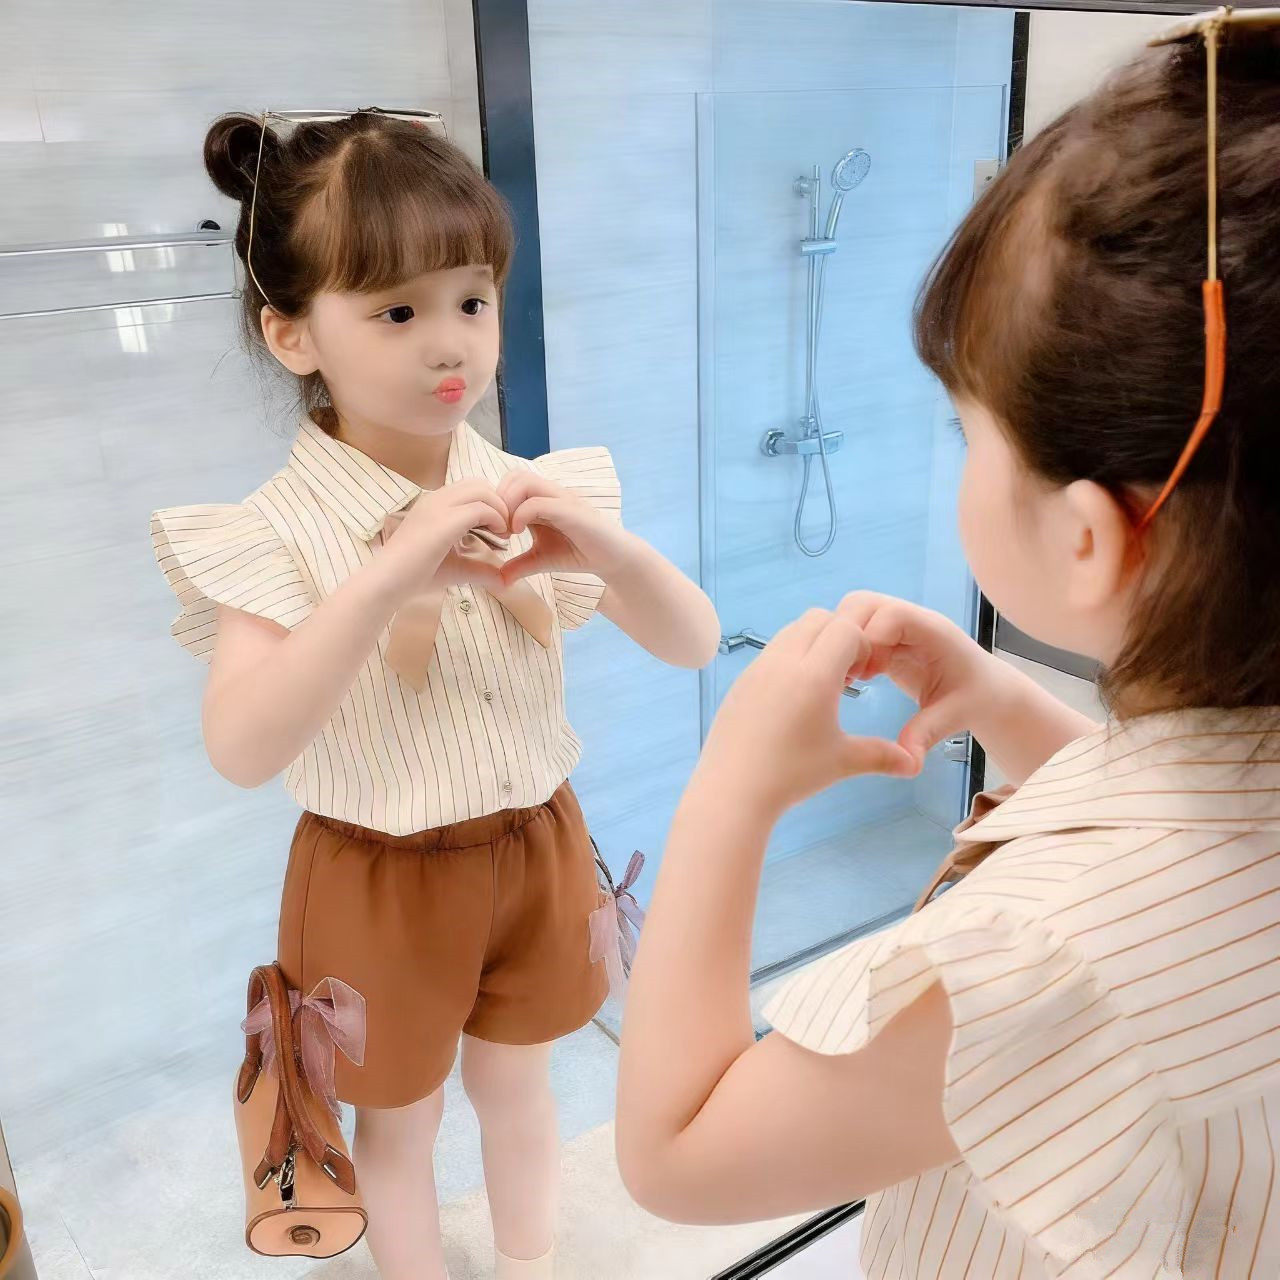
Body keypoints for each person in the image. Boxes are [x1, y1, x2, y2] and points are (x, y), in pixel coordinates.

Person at [617, 15, 1280, 1277]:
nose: (958, 461)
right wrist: (994, 697)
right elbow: (1190, 823)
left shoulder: (1035, 961)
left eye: (966, 433)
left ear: (1088, 539)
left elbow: (675, 1150)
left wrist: (728, 791)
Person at [149, 109, 719, 1280]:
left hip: (538, 842)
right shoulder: (274, 532)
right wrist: (387, 574)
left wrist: (608, 551)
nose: (449, 342)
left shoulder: (526, 487)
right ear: (292, 334)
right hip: (377, 870)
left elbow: (693, 640)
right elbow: (242, 747)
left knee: (520, 1089)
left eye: (471, 298)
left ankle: (530, 1264)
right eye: (397, 312)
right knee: (398, 1123)